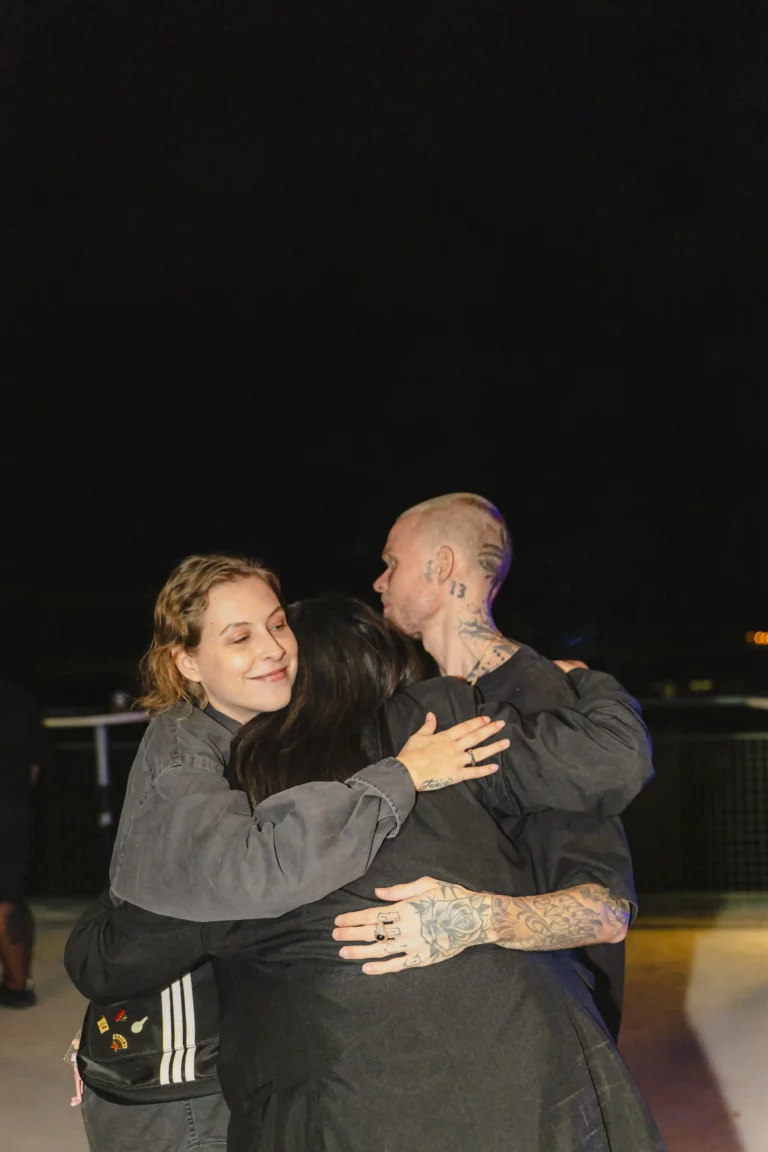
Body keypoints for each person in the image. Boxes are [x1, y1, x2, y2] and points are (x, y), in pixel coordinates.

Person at [66, 597, 665, 1151]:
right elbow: (613, 772)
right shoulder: (447, 722)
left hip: (334, 1102)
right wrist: (580, 680)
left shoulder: (244, 790)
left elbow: (112, 956)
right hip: (522, 1074)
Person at [74, 553, 506, 1151]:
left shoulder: (254, 735)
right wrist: (400, 776)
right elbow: (252, 874)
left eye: (278, 625)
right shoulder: (183, 753)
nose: (273, 648)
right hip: (172, 1087)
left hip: (212, 1069)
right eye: (240, 637)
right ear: (187, 661)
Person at [368, 491, 639, 1036]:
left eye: (391, 564)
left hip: (542, 1034)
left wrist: (475, 919)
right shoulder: (419, 697)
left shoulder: (541, 697)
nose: (379, 581)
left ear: (441, 566)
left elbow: (605, 912)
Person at [0, 674, 47, 1008]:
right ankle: (17, 986)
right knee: (7, 898)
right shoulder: (15, 693)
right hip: (9, 805)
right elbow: (34, 766)